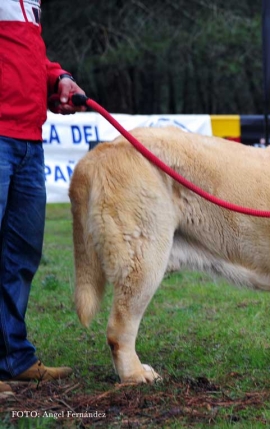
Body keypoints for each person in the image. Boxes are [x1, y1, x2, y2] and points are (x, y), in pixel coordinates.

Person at [0, 0, 86, 397]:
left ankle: (13, 359)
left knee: (22, 254)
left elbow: (27, 54)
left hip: (29, 140)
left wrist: (58, 78)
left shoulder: (29, 3)